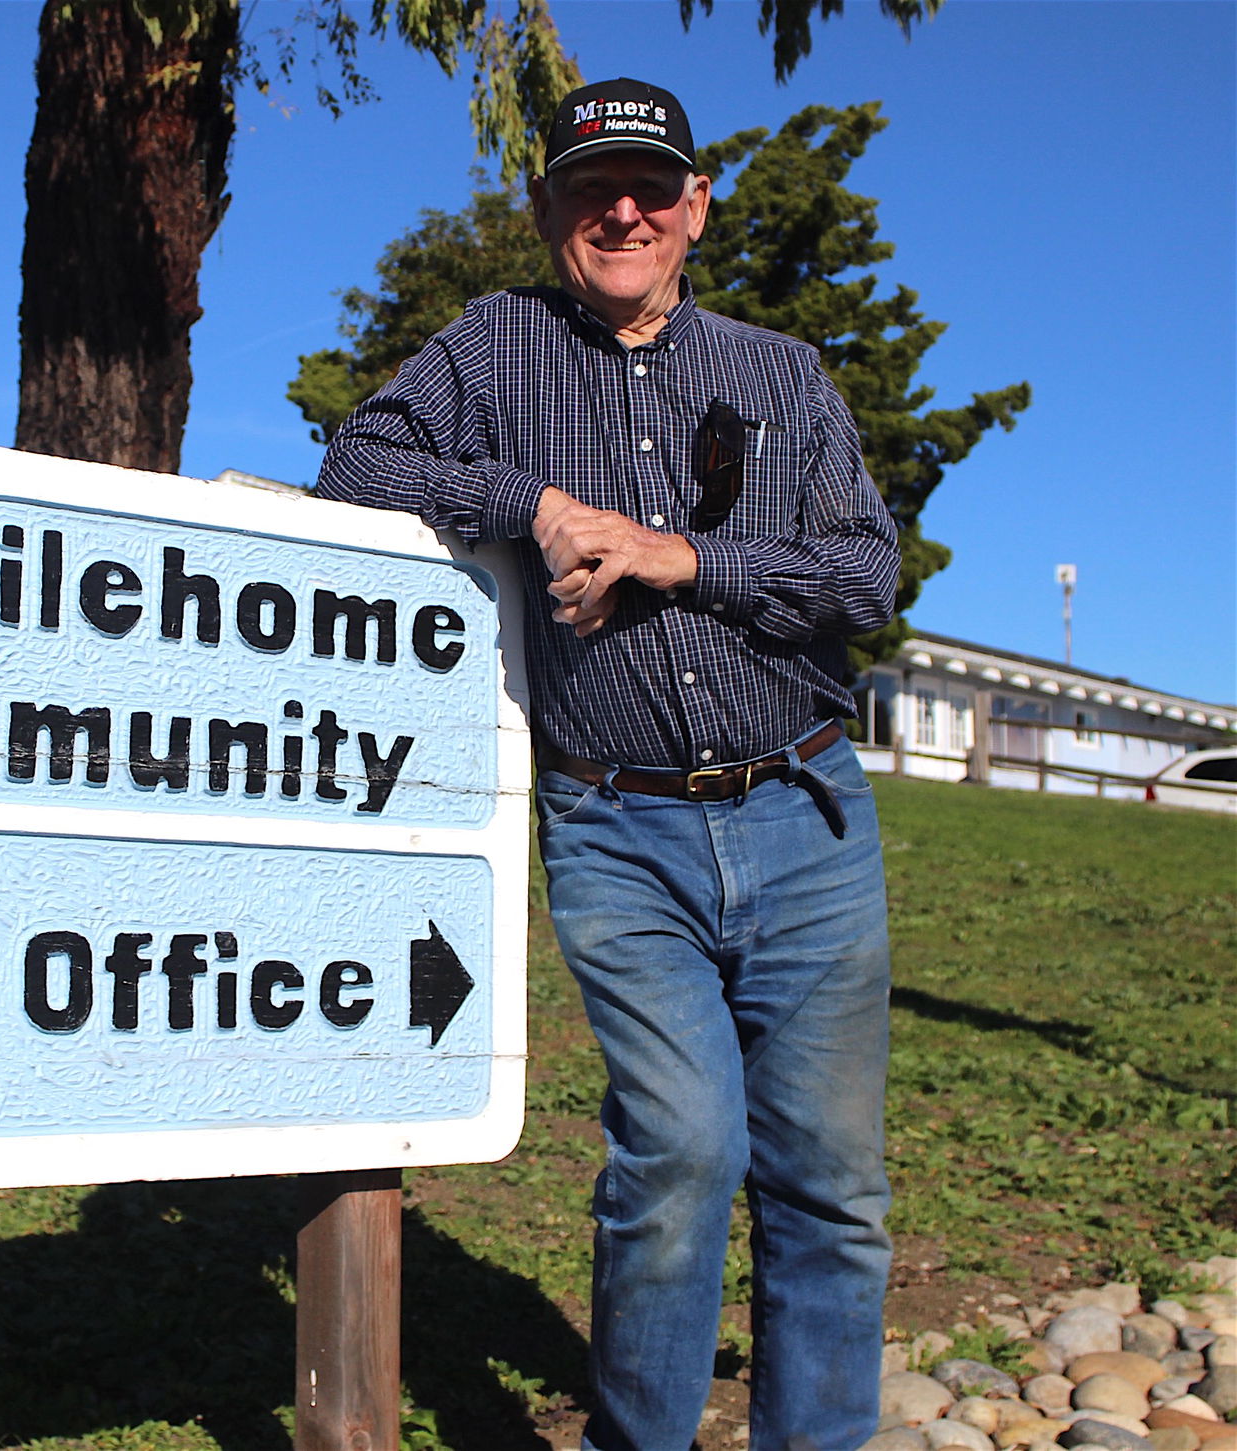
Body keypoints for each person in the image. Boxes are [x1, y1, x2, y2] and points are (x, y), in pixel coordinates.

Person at [316, 77, 899, 1451]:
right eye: (592, 191)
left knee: (833, 1187)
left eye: (650, 188)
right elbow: (358, 462)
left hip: (808, 815)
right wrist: (537, 503)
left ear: (697, 209)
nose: (622, 211)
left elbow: (865, 575)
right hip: (617, 827)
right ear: (547, 214)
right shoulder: (494, 347)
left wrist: (679, 557)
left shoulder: (781, 375)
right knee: (683, 1153)